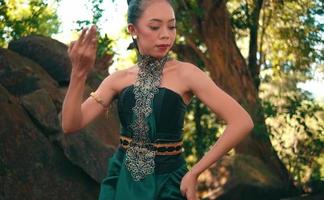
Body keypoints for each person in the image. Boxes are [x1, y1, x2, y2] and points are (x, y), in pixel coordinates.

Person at [61, 0, 254, 199]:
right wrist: (78, 74)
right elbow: (70, 124)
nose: (166, 35)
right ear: (133, 29)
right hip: (122, 181)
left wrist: (195, 172)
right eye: (155, 27)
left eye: (172, 26)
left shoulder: (186, 74)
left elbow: (241, 121)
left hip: (168, 183)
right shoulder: (118, 79)